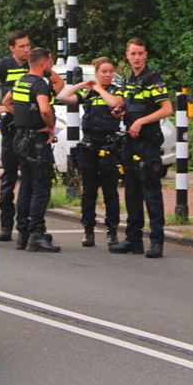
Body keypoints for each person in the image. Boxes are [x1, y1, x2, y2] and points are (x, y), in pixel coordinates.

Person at [109, 38, 173, 259]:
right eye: (133, 54)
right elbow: (129, 105)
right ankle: (133, 239)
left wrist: (141, 121)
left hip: (148, 142)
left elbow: (166, 109)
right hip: (130, 141)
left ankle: (156, 242)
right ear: (127, 56)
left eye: (140, 53)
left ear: (146, 55)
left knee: (151, 193)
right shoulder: (128, 80)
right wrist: (121, 112)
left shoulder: (153, 79)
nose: (136, 58)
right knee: (132, 191)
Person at [56, 56, 125, 247]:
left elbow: (114, 103)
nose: (108, 75)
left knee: (110, 192)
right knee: (88, 192)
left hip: (109, 146)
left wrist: (99, 88)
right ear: (96, 73)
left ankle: (112, 232)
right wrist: (82, 85)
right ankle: (88, 231)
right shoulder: (89, 94)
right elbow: (63, 97)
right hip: (89, 146)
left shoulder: (116, 91)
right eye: (104, 72)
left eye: (110, 71)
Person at [0, 31, 32, 241]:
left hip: (30, 126)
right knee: (10, 176)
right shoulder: (4, 65)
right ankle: (6, 225)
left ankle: (26, 225)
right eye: (21, 46)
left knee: (29, 177)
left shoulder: (34, 64)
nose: (26, 50)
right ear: (12, 48)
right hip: (11, 126)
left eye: (28, 45)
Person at [10, 48, 61, 252]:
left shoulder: (21, 81)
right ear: (43, 63)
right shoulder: (40, 84)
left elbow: (7, 102)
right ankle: (37, 234)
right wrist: (50, 126)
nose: (51, 65)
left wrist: (22, 118)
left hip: (20, 138)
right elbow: (45, 109)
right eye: (50, 62)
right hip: (36, 141)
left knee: (26, 186)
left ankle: (22, 233)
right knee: (41, 187)